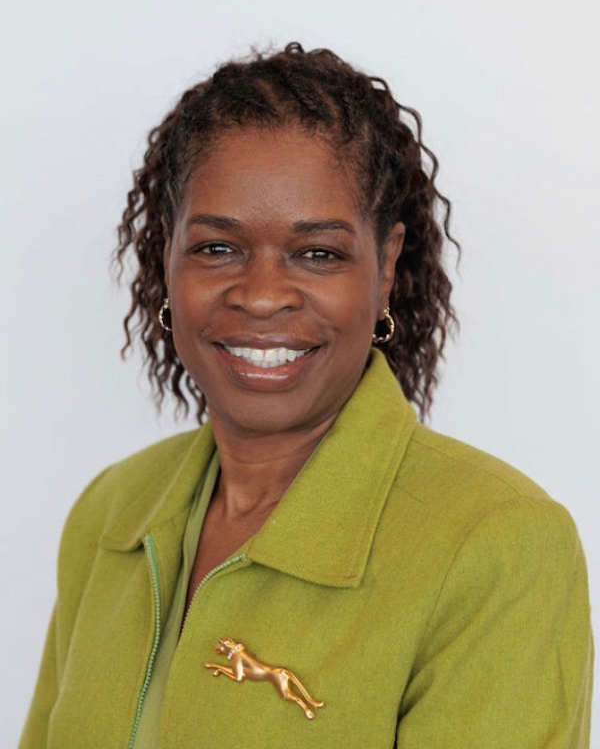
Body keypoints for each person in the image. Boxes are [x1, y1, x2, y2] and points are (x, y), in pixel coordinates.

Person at [19, 43, 592, 748]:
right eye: (217, 248)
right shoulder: (112, 516)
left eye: (318, 253)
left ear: (384, 268)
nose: (261, 297)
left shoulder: (499, 544)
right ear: (166, 257)